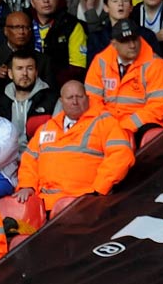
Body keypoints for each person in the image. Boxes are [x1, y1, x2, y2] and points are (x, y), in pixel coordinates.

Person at [15, 80, 135, 210]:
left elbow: (121, 155)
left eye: (79, 97)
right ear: (61, 102)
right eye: (70, 98)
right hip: (45, 203)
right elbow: (29, 160)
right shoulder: (46, 128)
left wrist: (99, 188)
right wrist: (27, 186)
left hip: (85, 203)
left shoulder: (105, 123)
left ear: (87, 98)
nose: (75, 102)